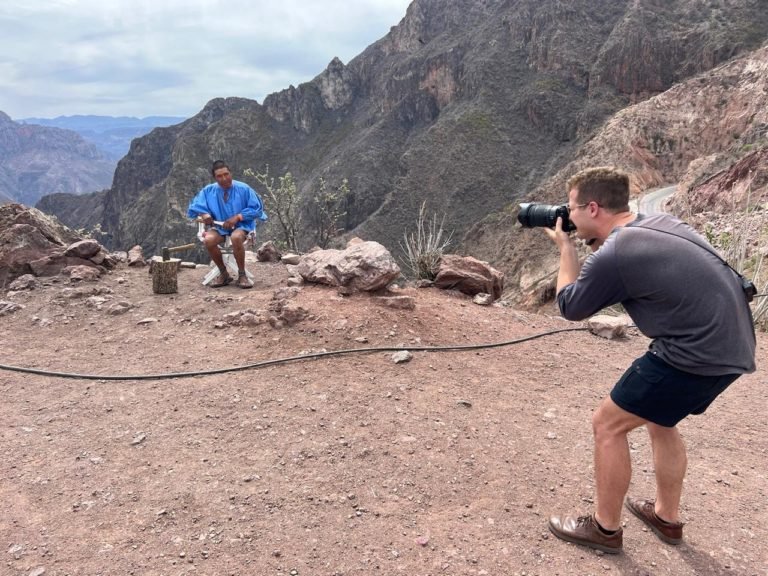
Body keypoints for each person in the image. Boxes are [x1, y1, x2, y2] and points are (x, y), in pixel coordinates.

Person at [542, 166, 756, 554]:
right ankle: (666, 517)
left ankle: (604, 530)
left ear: (593, 208)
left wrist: (567, 248)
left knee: (607, 425)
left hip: (691, 354)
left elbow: (570, 306)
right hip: (735, 348)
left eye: (571, 208)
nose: (566, 216)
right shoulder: (659, 221)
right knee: (661, 418)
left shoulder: (616, 252)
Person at [187, 160, 267, 288]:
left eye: (226, 174)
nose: (224, 178)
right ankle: (224, 274)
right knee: (209, 240)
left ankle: (242, 275)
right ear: (215, 178)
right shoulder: (209, 191)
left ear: (231, 173)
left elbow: (257, 209)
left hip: (242, 226)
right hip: (219, 227)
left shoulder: (244, 189)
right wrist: (204, 214)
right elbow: (195, 206)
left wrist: (238, 217)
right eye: (219, 176)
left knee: (236, 237)